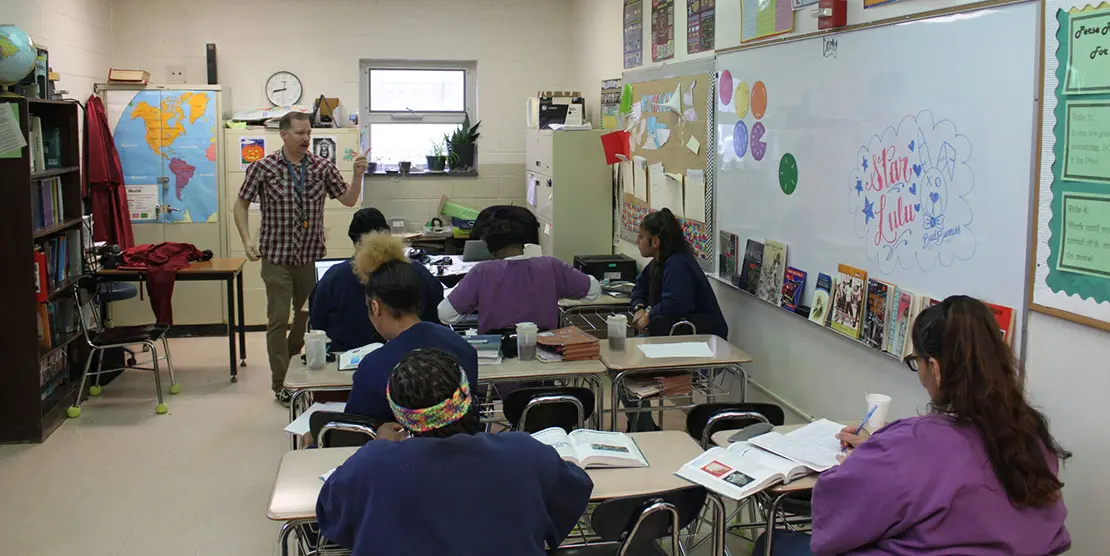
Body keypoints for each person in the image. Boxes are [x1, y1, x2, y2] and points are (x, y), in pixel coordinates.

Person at [753, 296, 1071, 556]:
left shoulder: (910, 446)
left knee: (772, 544)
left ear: (935, 368)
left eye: (915, 362)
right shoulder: (1031, 437)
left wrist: (857, 463)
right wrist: (877, 453)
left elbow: (839, 524)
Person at [317, 348, 594, 555]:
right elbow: (574, 493)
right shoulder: (525, 452)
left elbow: (331, 516)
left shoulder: (371, 463)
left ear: (400, 415)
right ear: (467, 398)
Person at [234, 111, 366, 404]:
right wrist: (246, 240)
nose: (306, 138)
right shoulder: (263, 167)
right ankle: (281, 383)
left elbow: (348, 199)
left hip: (309, 258)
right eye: (300, 133)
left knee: (309, 319)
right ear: (283, 134)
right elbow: (240, 205)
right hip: (276, 258)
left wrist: (357, 176)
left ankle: (295, 358)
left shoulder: (321, 167)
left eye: (309, 133)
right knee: (278, 320)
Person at [344, 233, 478, 423]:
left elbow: (356, 430)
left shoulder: (374, 367)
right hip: (464, 446)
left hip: (402, 451)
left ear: (375, 307)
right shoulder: (462, 348)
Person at [309, 208, 444, 352]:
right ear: (388, 234)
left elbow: (317, 323)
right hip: (413, 356)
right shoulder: (417, 272)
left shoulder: (334, 278)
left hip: (344, 359)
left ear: (354, 241)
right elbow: (438, 314)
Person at [438, 218, 601, 333]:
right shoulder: (551, 266)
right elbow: (593, 291)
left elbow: (445, 314)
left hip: (497, 359)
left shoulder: (482, 272)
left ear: (492, 250)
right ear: (523, 244)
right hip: (544, 359)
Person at [630, 208, 728, 338]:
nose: (637, 241)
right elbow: (640, 286)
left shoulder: (678, 264)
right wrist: (639, 308)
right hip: (678, 333)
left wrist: (647, 318)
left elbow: (674, 303)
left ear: (655, 242)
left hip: (703, 338)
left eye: (641, 236)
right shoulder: (659, 263)